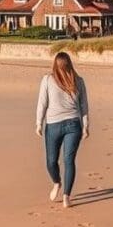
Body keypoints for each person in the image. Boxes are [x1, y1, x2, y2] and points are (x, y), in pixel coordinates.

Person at [35, 52, 89, 208]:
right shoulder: (47, 80)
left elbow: (84, 105)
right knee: (51, 162)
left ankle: (66, 195)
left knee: (68, 160)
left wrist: (86, 125)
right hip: (53, 125)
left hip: (73, 125)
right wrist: (38, 123)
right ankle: (57, 182)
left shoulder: (78, 81)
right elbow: (42, 103)